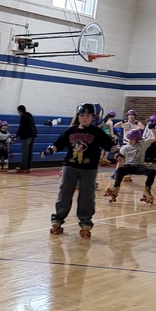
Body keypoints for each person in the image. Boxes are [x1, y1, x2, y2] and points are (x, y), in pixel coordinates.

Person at [40, 102, 115, 238]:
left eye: (87, 115)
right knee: (64, 193)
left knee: (87, 196)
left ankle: (85, 221)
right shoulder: (71, 131)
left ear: (93, 117)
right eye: (82, 115)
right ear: (78, 116)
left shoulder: (97, 132)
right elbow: (59, 144)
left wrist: (118, 153)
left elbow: (109, 145)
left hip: (89, 169)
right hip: (70, 166)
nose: (84, 118)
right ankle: (58, 219)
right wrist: (49, 150)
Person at [104, 127, 156, 205]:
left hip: (139, 166)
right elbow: (120, 162)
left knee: (152, 171)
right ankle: (115, 188)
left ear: (137, 139)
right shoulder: (124, 148)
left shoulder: (143, 144)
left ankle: (147, 190)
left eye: (132, 139)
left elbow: (155, 138)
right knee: (120, 169)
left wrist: (152, 128)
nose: (130, 140)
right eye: (129, 139)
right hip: (128, 166)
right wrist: (116, 172)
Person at [15, 104, 37, 173]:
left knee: (25, 152)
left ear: (20, 111)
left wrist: (16, 135)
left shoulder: (23, 116)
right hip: (33, 134)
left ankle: (23, 167)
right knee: (30, 152)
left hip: (27, 136)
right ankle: (28, 168)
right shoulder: (29, 115)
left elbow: (21, 127)